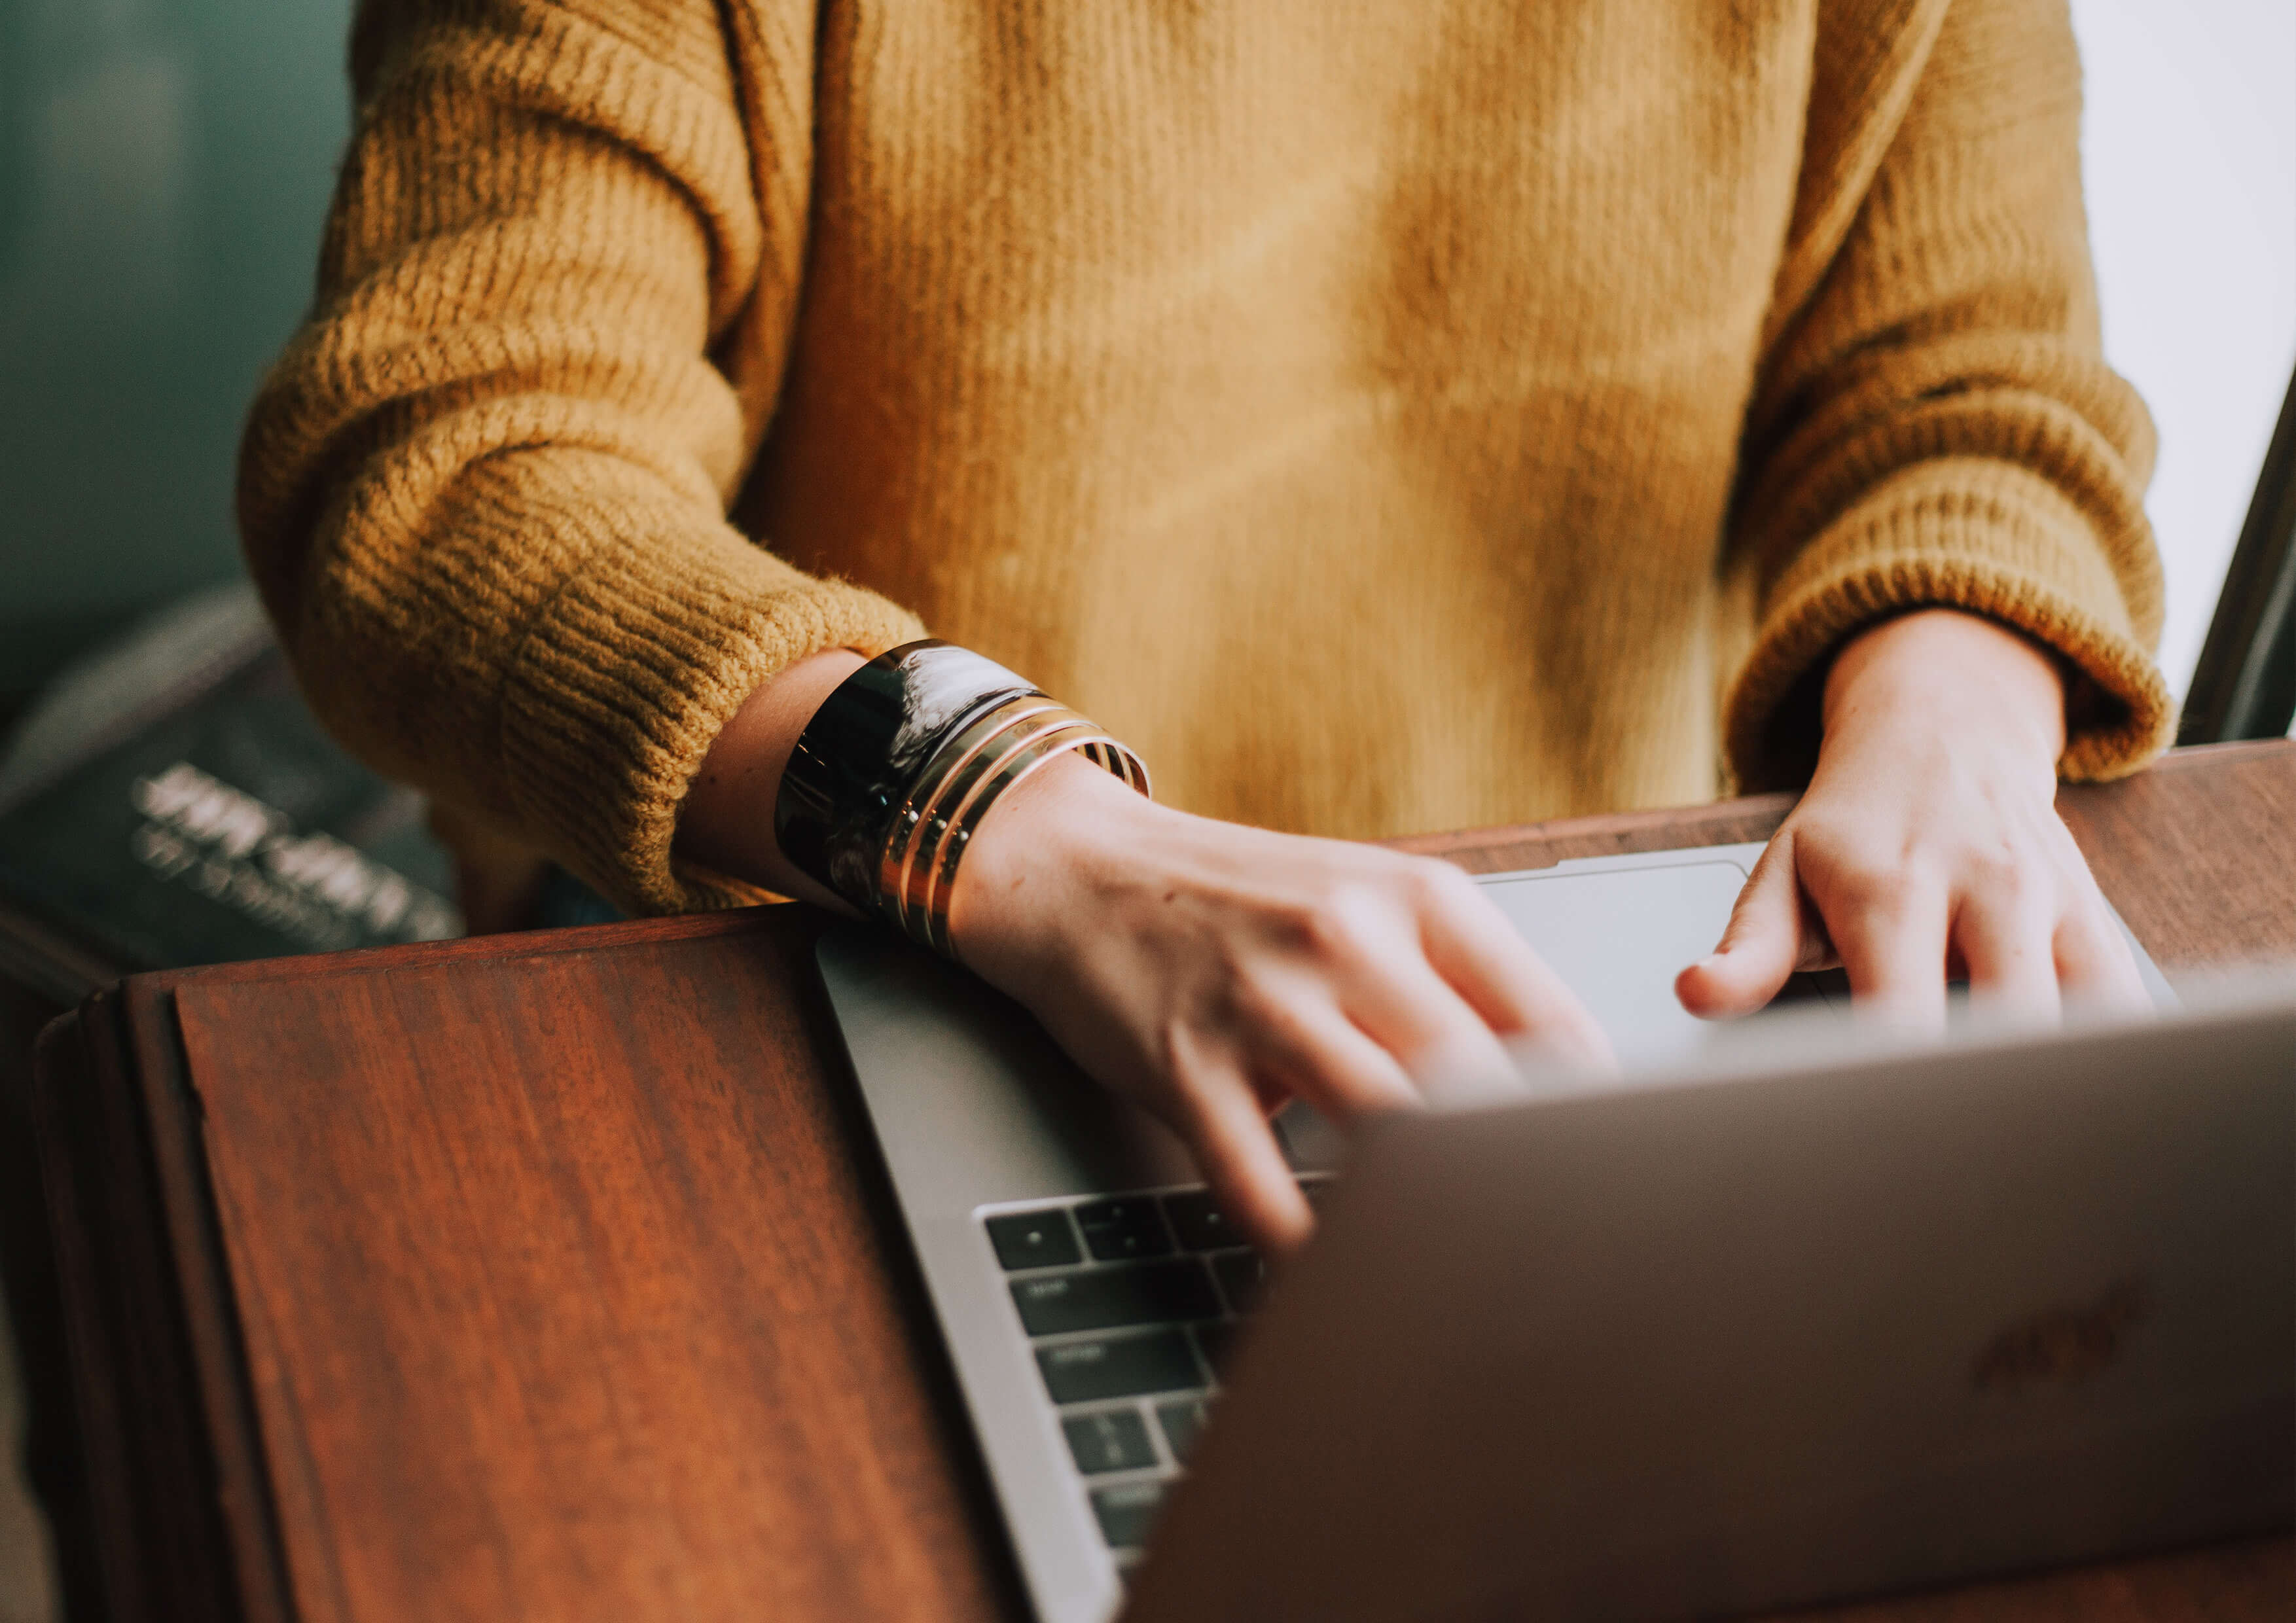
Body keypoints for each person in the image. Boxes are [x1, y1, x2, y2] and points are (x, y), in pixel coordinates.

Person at [238, 0, 2170, 1251]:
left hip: (1553, 997)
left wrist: (1953, 716)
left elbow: (1971, 386)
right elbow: (449, 466)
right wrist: (1021, 826)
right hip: (829, 945)